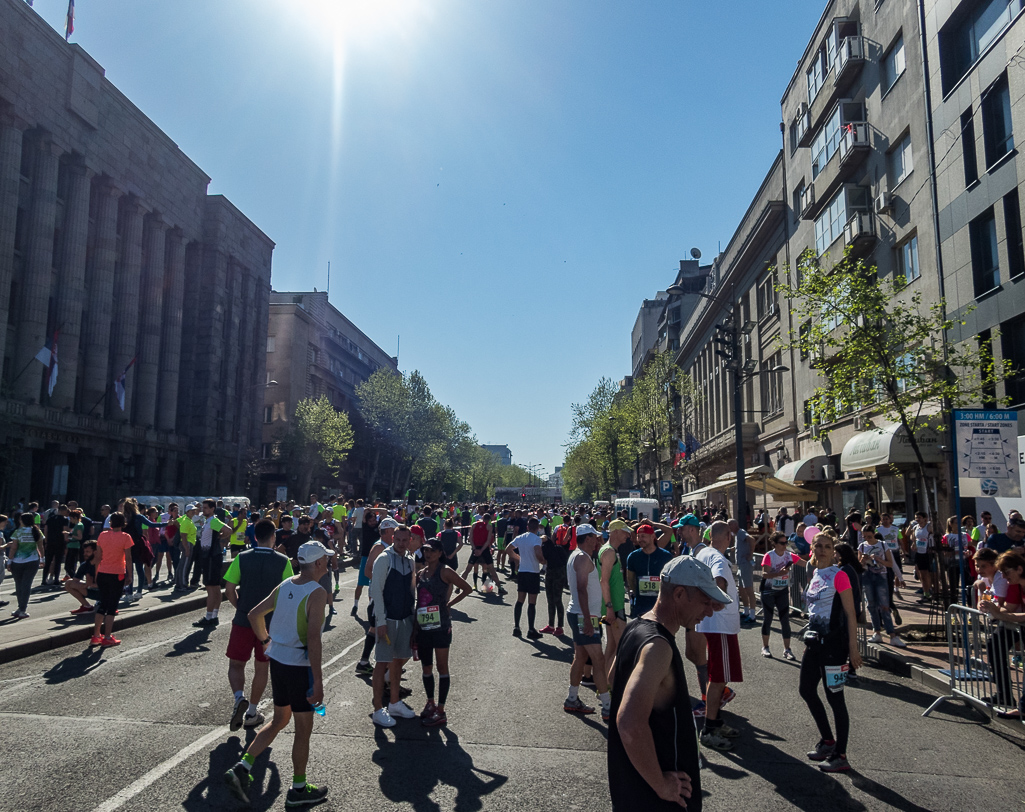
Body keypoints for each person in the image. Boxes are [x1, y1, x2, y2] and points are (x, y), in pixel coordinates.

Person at [608, 555, 728, 812]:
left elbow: (612, 679)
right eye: (705, 601)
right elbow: (629, 724)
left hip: (631, 789)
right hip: (656, 798)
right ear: (680, 594)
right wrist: (662, 785)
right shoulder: (658, 647)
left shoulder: (636, 626)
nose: (708, 611)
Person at [223, 540, 331, 808]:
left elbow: (254, 614)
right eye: (325, 559)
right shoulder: (317, 592)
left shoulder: (286, 584)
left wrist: (266, 641)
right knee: (303, 729)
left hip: (279, 662)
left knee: (279, 719)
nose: (328, 562)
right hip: (299, 665)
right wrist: (318, 681)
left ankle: (243, 765)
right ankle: (298, 788)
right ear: (318, 563)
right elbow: (314, 640)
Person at [799, 532, 863, 773]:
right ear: (812, 548)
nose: (823, 550)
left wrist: (853, 650)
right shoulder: (815, 574)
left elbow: (850, 614)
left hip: (834, 646)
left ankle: (841, 755)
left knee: (835, 698)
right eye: (819, 546)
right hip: (815, 644)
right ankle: (828, 741)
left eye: (828, 546)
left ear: (834, 550)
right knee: (806, 689)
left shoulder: (840, 576)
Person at [223, 518, 294, 732]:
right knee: (262, 667)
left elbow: (229, 588)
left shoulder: (242, 558)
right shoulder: (283, 561)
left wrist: (241, 607)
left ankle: (238, 698)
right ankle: (252, 711)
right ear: (274, 537)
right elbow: (288, 594)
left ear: (255, 536)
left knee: (236, 664)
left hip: (244, 619)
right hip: (269, 624)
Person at [414, 536, 473, 727]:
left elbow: (466, 588)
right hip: (423, 627)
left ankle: (441, 709)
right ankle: (430, 702)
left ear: (440, 553)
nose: (427, 553)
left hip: (441, 626)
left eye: (432, 550)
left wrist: (449, 605)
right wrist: (414, 629)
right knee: (426, 667)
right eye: (425, 550)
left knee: (442, 667)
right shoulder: (421, 573)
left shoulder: (445, 571)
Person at [696, 521, 742, 751]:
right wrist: (718, 602)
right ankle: (709, 729)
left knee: (718, 675)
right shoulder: (718, 558)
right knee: (718, 678)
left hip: (714, 625)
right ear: (727, 537)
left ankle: (715, 721)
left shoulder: (703, 552)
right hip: (720, 626)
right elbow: (719, 580)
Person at [371, 524, 418, 728]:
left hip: (405, 618)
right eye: (397, 539)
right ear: (393, 539)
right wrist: (380, 621)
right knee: (382, 663)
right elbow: (376, 591)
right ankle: (377, 708)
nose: (400, 543)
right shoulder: (384, 559)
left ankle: (395, 703)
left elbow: (411, 590)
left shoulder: (410, 561)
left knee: (399, 661)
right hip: (388, 620)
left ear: (410, 541)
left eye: (404, 540)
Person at [564, 524, 611, 721]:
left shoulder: (578, 555)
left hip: (580, 613)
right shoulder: (582, 558)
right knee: (598, 659)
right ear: (588, 538)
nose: (598, 541)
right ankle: (608, 705)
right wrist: (588, 621)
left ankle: (572, 698)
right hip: (585, 616)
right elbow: (582, 589)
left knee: (581, 657)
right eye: (595, 538)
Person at [979, 551, 1025, 718]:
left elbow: (1011, 612)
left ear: (1019, 569)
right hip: (1017, 625)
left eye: (1006, 572)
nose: (1004, 577)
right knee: (994, 644)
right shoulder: (1015, 585)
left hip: (1018, 624)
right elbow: (1009, 607)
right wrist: (995, 610)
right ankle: (1010, 698)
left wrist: (999, 614)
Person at [760, 531, 806, 659]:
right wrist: (778, 573)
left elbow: (804, 563)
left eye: (786, 542)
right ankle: (765, 647)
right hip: (768, 590)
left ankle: (787, 649)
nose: (785, 545)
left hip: (782, 591)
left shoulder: (789, 556)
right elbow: (764, 575)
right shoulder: (769, 556)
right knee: (768, 619)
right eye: (782, 543)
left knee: (785, 620)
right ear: (774, 544)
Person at [91, 513, 135, 647]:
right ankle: (108, 637)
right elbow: (128, 558)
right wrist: (130, 575)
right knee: (112, 606)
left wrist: (96, 574)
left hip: (103, 572)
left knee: (102, 604)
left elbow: (98, 557)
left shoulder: (102, 535)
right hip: (117, 574)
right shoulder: (126, 537)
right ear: (123, 524)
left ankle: (96, 635)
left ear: (110, 523)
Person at [858, 526, 906, 647]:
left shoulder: (883, 545)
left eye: (869, 536)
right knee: (871, 605)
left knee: (884, 605)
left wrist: (879, 560)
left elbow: (890, 563)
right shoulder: (862, 546)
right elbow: (859, 566)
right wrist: (863, 561)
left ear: (874, 534)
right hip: (867, 577)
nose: (867, 539)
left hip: (881, 576)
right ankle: (877, 632)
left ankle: (892, 634)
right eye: (865, 536)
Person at [193, 500, 232, 627]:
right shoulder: (208, 521)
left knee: (211, 587)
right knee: (215, 587)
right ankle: (213, 616)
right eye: (203, 508)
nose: (203, 510)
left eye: (205, 508)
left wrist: (220, 537)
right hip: (210, 556)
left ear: (212, 509)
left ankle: (209, 617)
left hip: (211, 556)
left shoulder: (213, 521)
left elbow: (228, 530)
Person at [599, 519, 630, 680]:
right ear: (616, 532)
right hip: (614, 607)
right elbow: (603, 581)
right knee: (622, 648)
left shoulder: (611, 550)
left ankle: (605, 686)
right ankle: (612, 688)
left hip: (614, 606)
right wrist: (610, 607)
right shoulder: (609, 551)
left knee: (611, 647)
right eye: (625, 532)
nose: (628, 535)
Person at [507, 517, 546, 639]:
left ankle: (517, 627)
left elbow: (508, 549)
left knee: (520, 600)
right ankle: (530, 629)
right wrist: (543, 561)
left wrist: (518, 558)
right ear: (538, 528)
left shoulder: (521, 537)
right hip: (533, 571)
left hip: (523, 571)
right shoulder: (537, 539)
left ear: (528, 527)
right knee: (532, 602)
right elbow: (538, 553)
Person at [625, 524, 673, 619]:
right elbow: (630, 579)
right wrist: (638, 591)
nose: (640, 539)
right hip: (640, 605)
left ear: (652, 536)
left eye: (643, 536)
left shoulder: (665, 556)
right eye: (638, 536)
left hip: (660, 605)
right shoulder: (633, 557)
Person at [6, 513, 44, 618]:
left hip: (17, 562)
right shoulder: (37, 531)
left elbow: (13, 548)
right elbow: (40, 547)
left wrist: (9, 561)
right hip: (32, 561)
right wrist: (42, 559)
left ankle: (20, 607)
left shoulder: (17, 532)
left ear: (22, 521)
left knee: (19, 585)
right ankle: (22, 609)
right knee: (27, 585)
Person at [64, 539, 99, 614]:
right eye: (84, 551)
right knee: (68, 583)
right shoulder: (85, 565)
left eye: (88, 552)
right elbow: (75, 581)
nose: (85, 554)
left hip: (106, 591)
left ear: (95, 552)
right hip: (92, 589)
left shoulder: (105, 564)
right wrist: (86, 585)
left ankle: (110, 606)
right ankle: (87, 606)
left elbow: (108, 584)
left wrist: (90, 585)